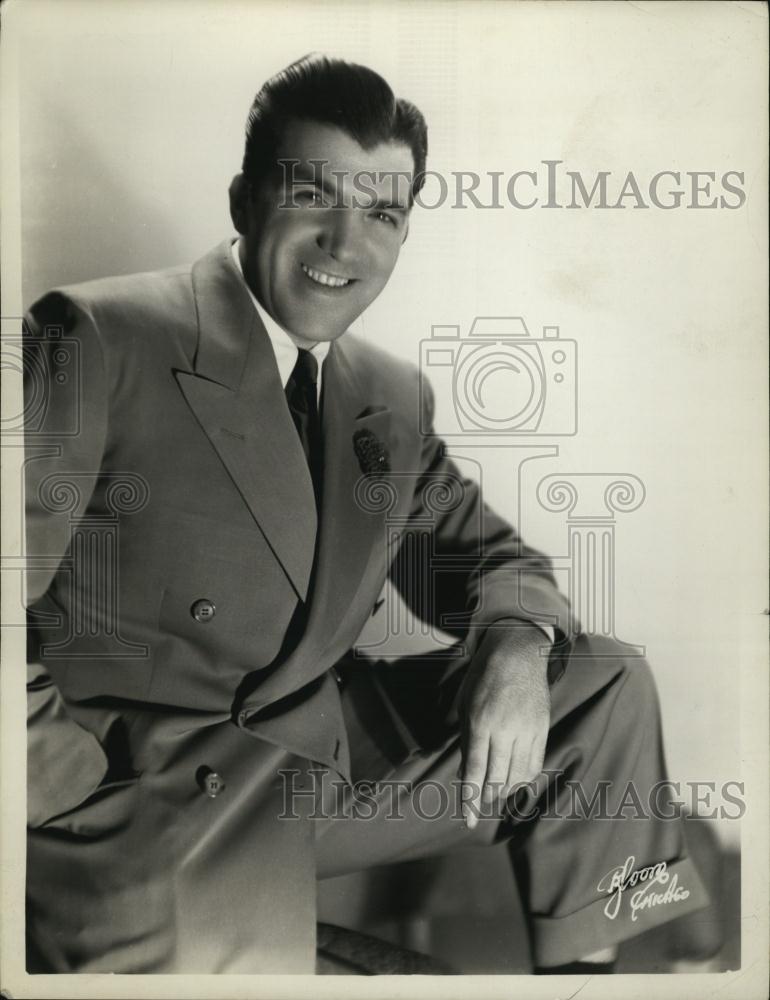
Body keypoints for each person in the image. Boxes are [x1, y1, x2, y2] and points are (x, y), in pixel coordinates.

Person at [24, 53, 709, 974]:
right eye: (314, 197)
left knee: (602, 680)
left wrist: (514, 639)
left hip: (320, 765)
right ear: (243, 200)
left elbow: (486, 561)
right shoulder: (100, 335)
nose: (346, 245)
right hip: (149, 795)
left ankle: (595, 974)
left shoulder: (385, 393)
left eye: (383, 214)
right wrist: (68, 803)